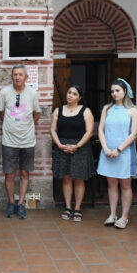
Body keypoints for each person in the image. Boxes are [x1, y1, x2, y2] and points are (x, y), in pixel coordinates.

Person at [0, 65, 40, 219]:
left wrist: (27, 126)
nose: (17, 77)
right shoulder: (4, 93)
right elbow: (1, 113)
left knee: (24, 172)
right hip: (9, 141)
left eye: (20, 75)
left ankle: (21, 203)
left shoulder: (32, 94)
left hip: (28, 141)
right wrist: (12, 126)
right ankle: (11, 203)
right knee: (9, 174)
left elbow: (37, 113)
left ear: (26, 77)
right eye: (15, 74)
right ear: (12, 76)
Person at [96, 79, 137, 229]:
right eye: (112, 91)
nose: (114, 93)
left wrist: (119, 149)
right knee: (111, 184)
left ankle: (124, 216)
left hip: (124, 153)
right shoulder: (107, 109)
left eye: (117, 91)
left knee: (125, 185)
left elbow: (134, 133)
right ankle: (112, 213)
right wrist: (106, 148)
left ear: (125, 91)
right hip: (107, 152)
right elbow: (101, 129)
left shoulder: (132, 110)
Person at [51, 85, 95, 222]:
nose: (70, 95)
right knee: (66, 178)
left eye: (74, 94)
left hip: (80, 148)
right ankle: (68, 207)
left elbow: (89, 131)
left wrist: (77, 146)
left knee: (78, 178)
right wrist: (60, 145)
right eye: (69, 92)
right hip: (62, 147)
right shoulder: (58, 110)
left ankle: (78, 208)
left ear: (79, 98)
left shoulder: (85, 111)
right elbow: (53, 130)